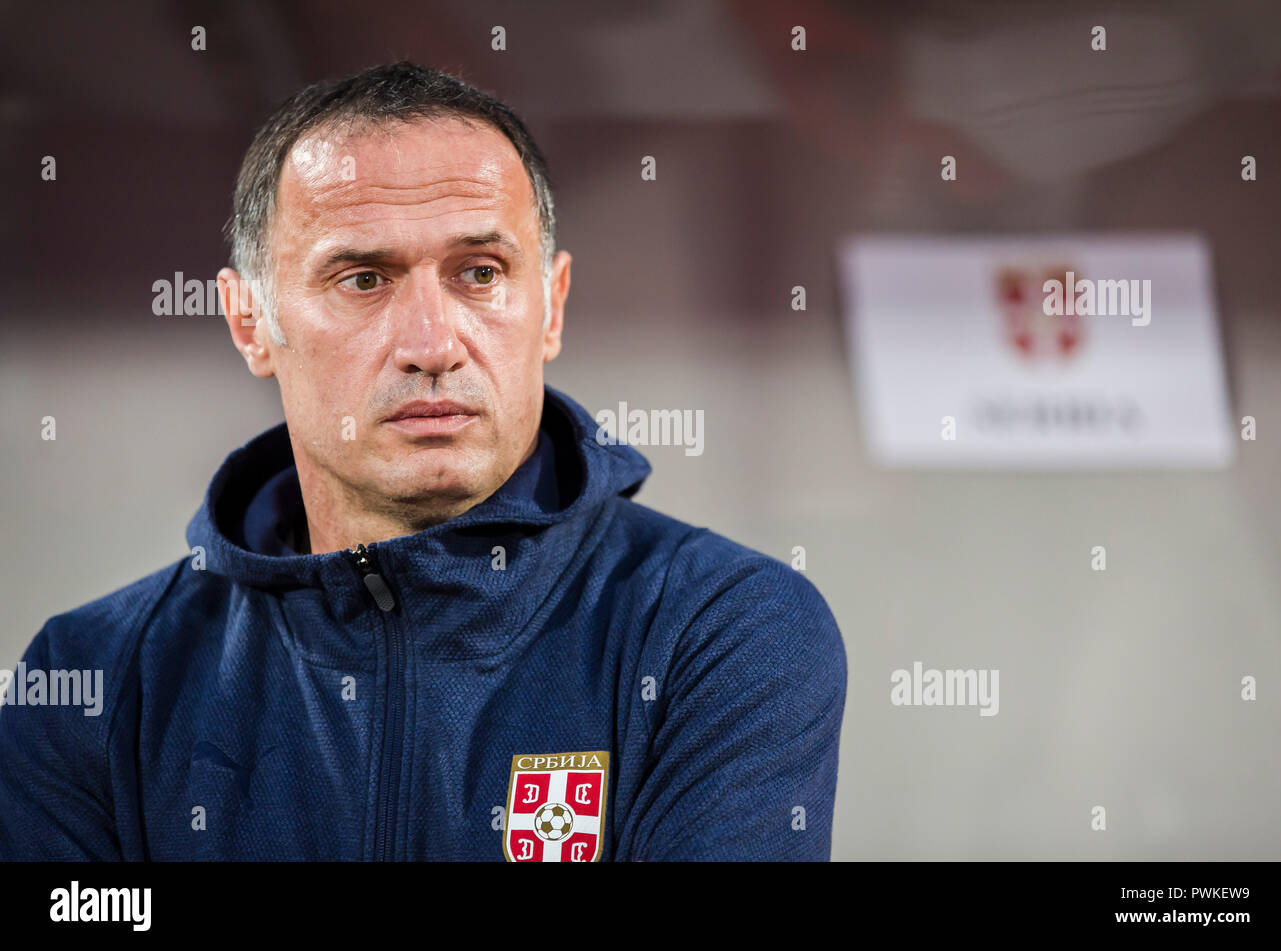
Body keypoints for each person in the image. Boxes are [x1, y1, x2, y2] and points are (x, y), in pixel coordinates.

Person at [0, 62, 846, 861]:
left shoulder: (724, 630)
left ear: (551, 306)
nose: (432, 344)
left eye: (479, 272)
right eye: (364, 279)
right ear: (250, 321)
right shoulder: (90, 679)